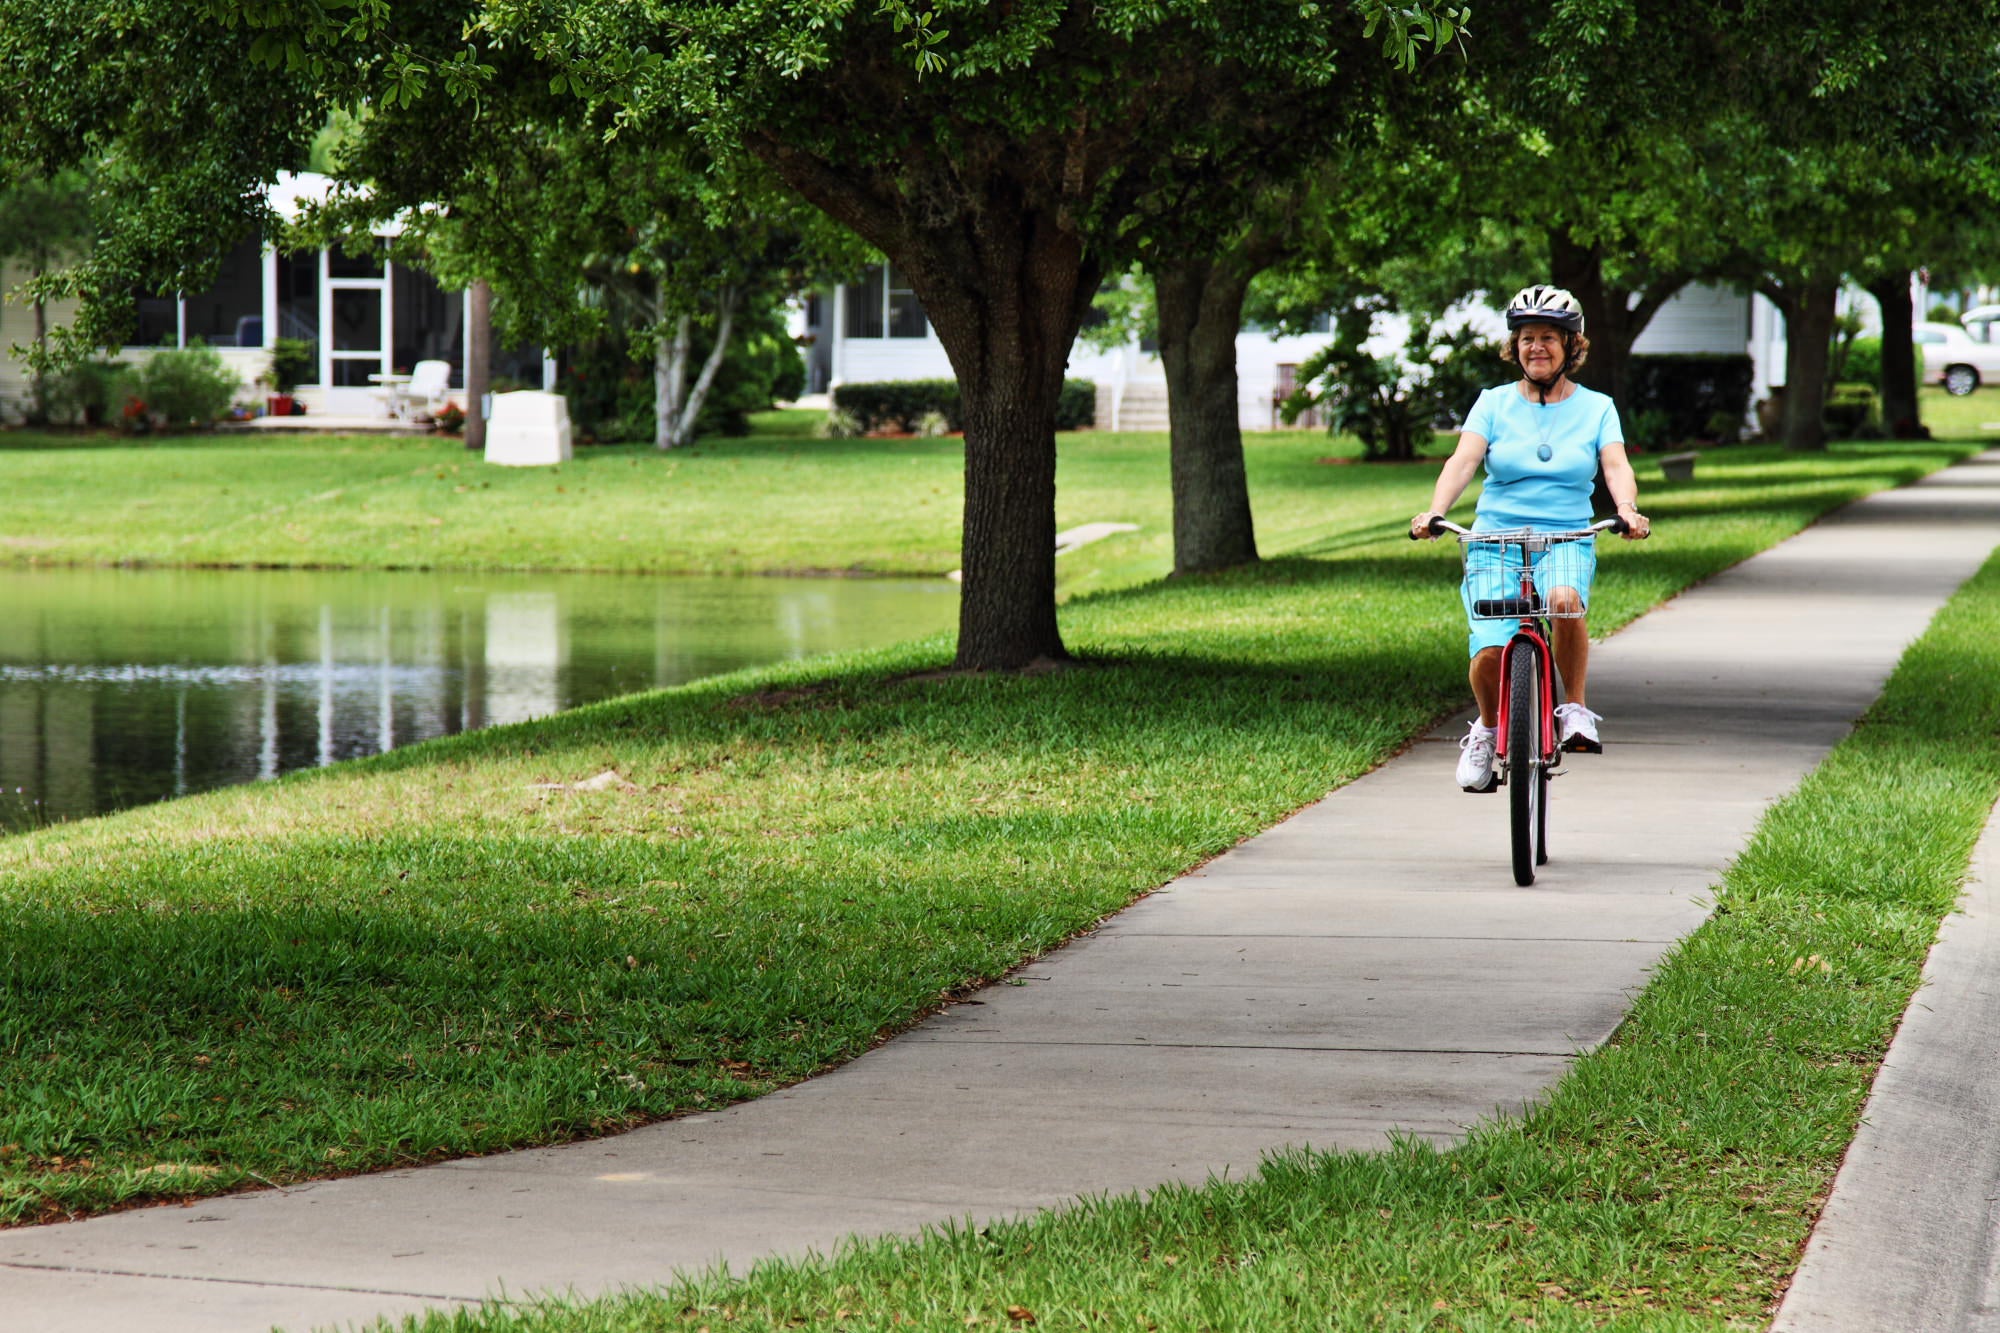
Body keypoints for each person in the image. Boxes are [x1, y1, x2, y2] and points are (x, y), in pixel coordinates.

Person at [1409, 284, 1650, 793]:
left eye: (1548, 337)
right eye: (1526, 338)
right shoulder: (1492, 404)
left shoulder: (1597, 407)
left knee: (1563, 602)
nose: (1536, 347)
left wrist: (1626, 509)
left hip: (1566, 536)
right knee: (1492, 652)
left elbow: (1615, 464)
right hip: (1495, 539)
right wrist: (1435, 511)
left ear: (1571, 346)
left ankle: (1576, 709)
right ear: (1514, 347)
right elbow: (1463, 462)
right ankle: (1489, 729)